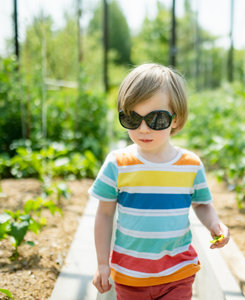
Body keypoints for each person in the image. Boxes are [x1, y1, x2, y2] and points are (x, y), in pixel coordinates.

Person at [89, 63, 230, 300]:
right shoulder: (117, 164)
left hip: (178, 272)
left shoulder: (190, 165)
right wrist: (103, 264)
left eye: (157, 119)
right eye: (133, 118)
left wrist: (215, 224)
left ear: (176, 119)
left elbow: (202, 204)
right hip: (130, 276)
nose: (144, 128)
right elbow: (104, 214)